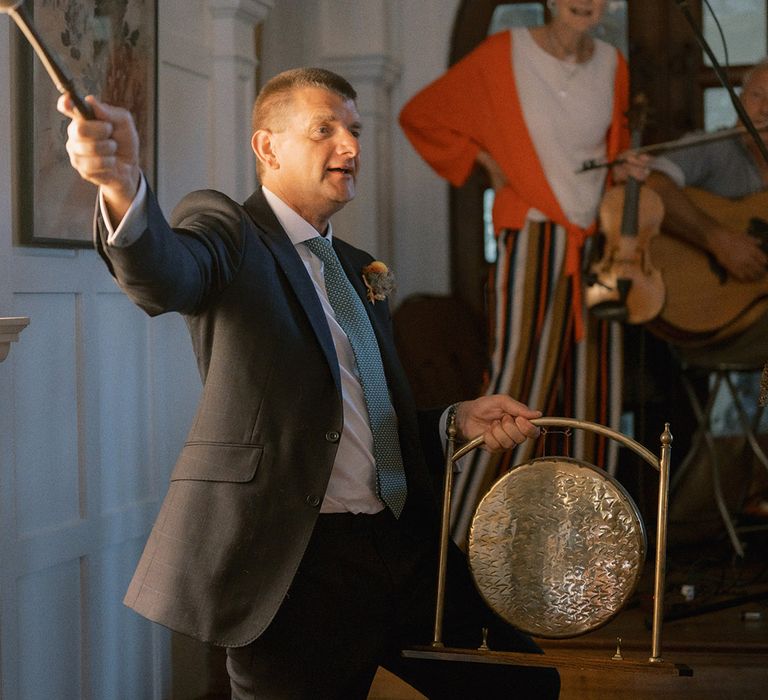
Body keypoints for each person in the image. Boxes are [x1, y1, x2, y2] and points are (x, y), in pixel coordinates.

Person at [58, 68, 561, 698]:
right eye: (324, 130)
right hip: (294, 568)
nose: (349, 147)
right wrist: (120, 183)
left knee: (528, 686)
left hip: (402, 549)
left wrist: (452, 419)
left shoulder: (357, 267)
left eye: (353, 130)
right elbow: (165, 274)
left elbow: (358, 413)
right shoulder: (228, 232)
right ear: (267, 147)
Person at [399, 0, 648, 535]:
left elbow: (615, 149)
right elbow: (421, 115)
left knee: (594, 395)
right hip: (533, 231)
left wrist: (625, 164)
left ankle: (587, 550)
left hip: (598, 242)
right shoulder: (501, 53)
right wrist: (487, 162)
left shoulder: (612, 62)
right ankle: (464, 541)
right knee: (517, 382)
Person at [645, 59, 768, 519]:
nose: (766, 109)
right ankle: (737, 486)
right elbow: (653, 187)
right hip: (704, 322)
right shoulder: (711, 150)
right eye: (757, 96)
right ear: (738, 99)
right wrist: (718, 240)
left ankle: (754, 479)